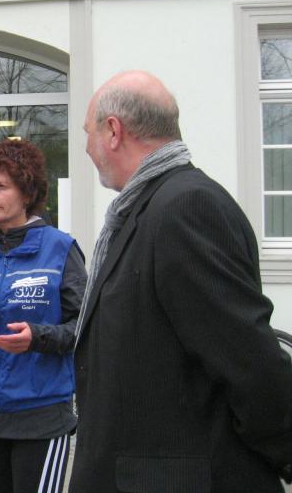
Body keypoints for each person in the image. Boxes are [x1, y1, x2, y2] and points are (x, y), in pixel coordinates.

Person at [71, 70, 292, 492]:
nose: (86, 147)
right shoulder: (147, 207)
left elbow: (250, 364)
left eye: (88, 132)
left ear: (113, 131)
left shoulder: (185, 207)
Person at [0, 139, 85, 493]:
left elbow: (85, 328)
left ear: (27, 193)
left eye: (0, 186)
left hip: (40, 417)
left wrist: (37, 338)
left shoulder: (61, 249)